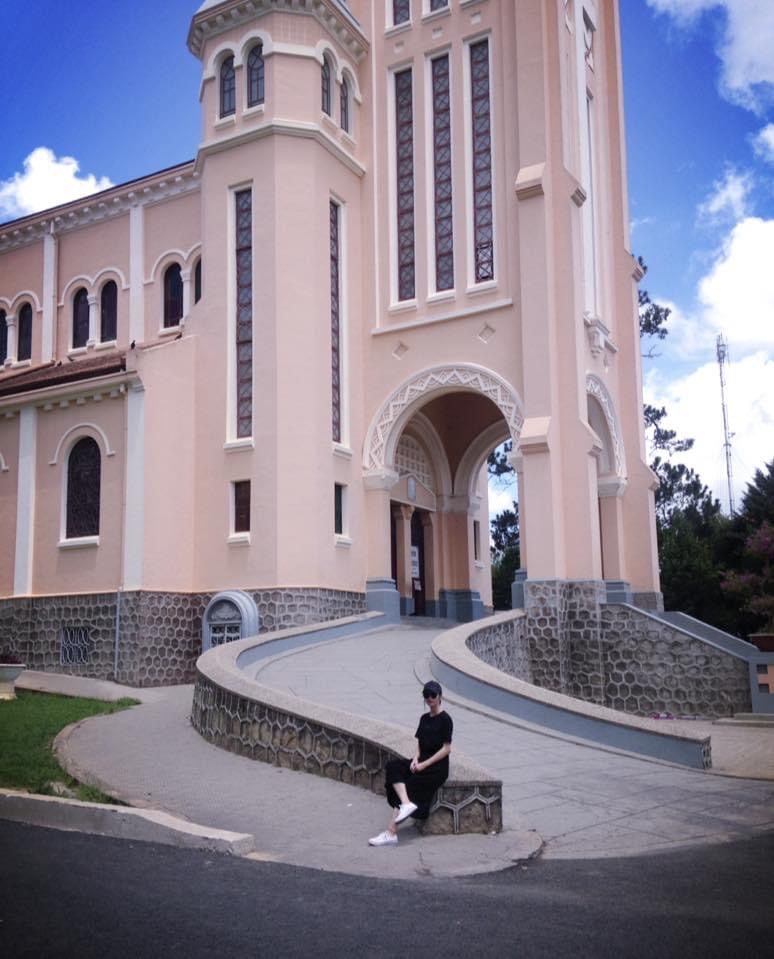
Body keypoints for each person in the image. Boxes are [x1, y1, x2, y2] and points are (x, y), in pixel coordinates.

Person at [369, 679, 453, 847]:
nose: (429, 698)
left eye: (433, 694)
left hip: (436, 768)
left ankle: (391, 832)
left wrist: (424, 765)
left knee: (409, 785)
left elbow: (446, 749)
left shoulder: (445, 720)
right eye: (426, 695)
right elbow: (420, 744)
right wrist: (415, 759)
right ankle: (406, 804)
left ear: (440, 697)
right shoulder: (424, 718)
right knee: (393, 767)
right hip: (421, 761)